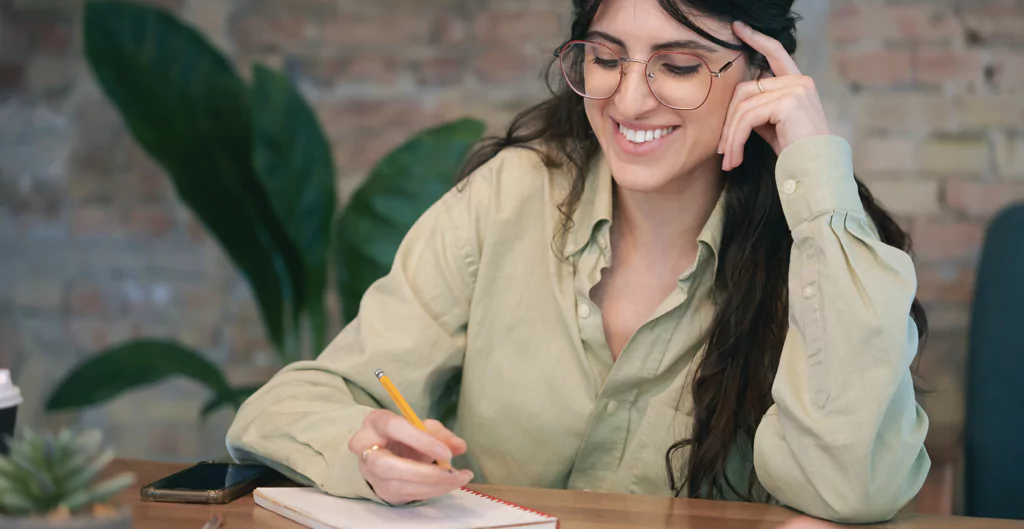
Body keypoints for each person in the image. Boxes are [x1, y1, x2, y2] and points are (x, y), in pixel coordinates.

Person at [226, 0, 931, 523]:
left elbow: (852, 487)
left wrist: (816, 180)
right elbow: (285, 408)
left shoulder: (818, 246)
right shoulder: (508, 197)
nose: (627, 98)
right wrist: (365, 448)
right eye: (604, 57)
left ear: (764, 74)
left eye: (679, 65)